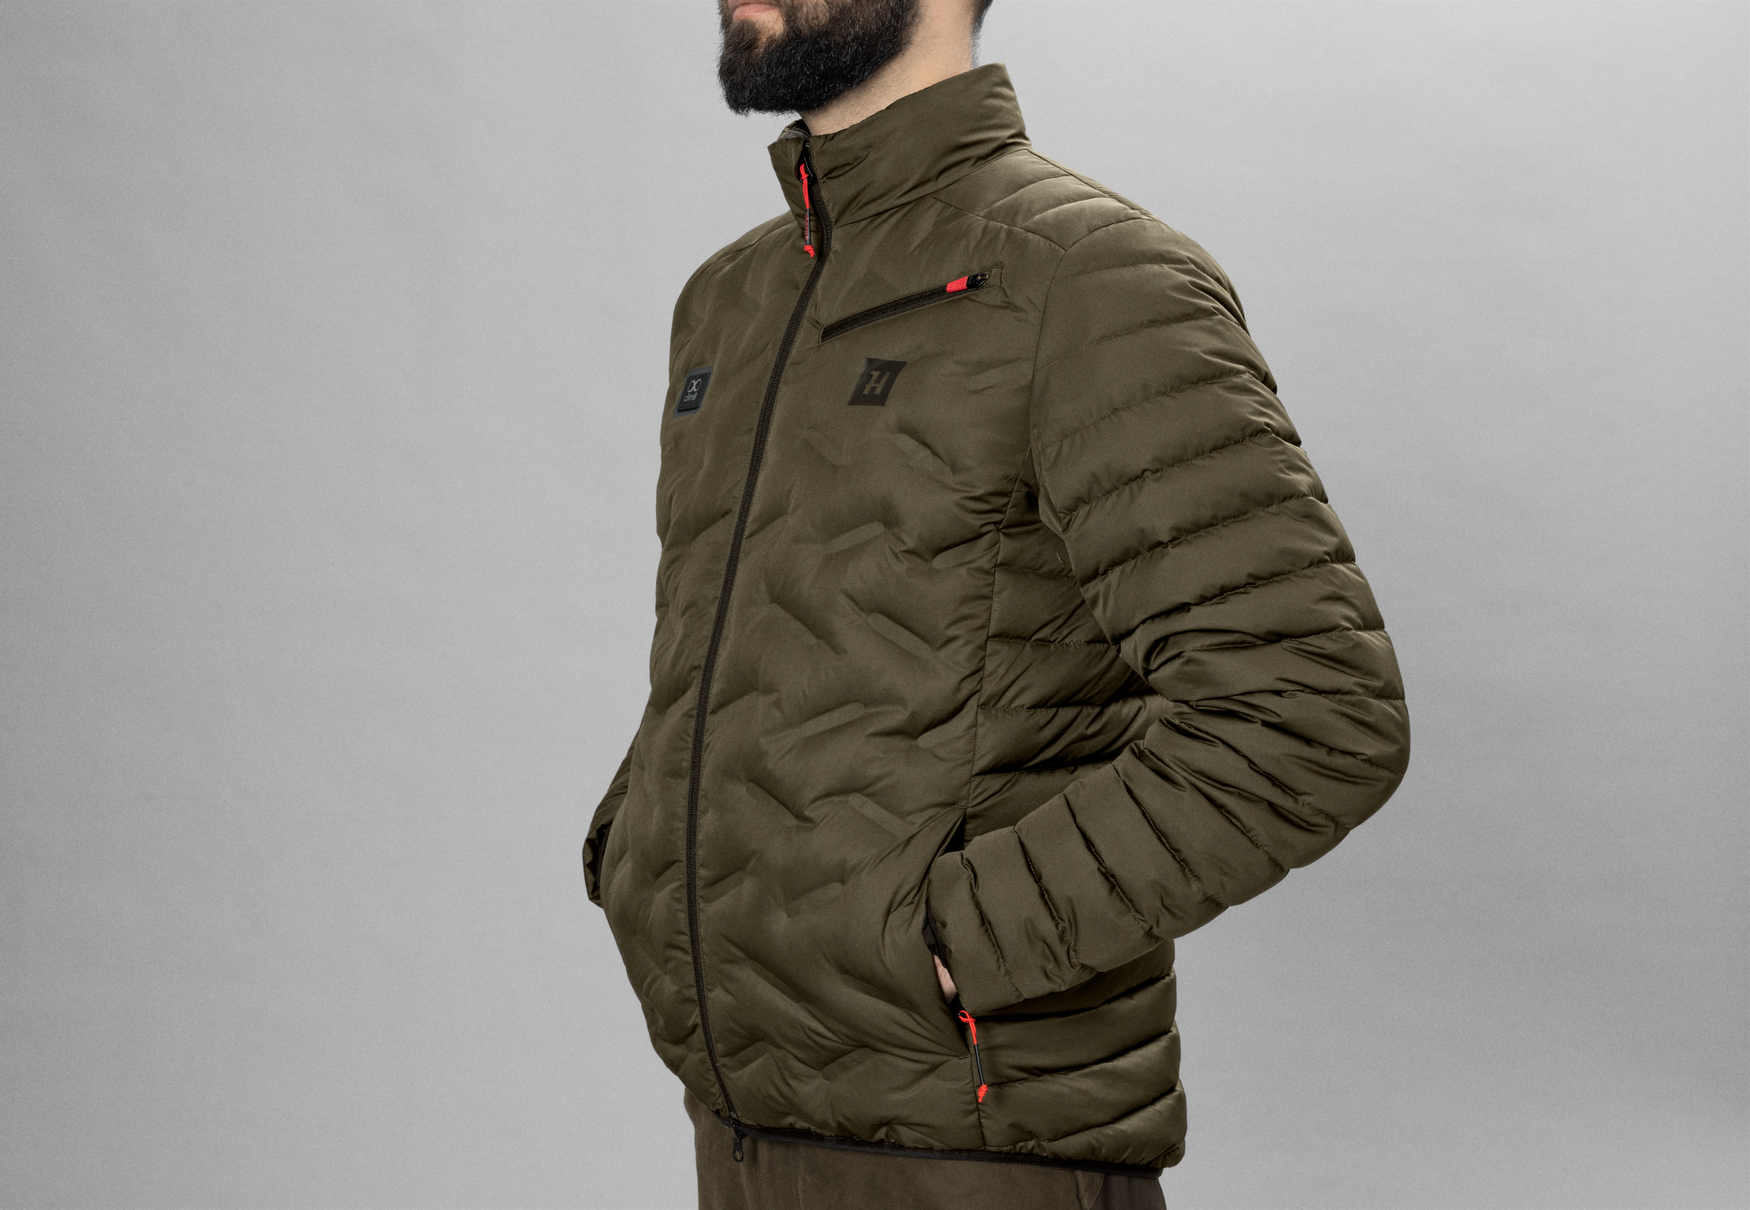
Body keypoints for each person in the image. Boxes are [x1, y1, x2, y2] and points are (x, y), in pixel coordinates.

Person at [583, 0, 1412, 1205]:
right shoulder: (732, 298)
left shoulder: (1089, 278)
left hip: (976, 1145)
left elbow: (1312, 711)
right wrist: (633, 851)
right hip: (741, 1119)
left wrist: (949, 942)